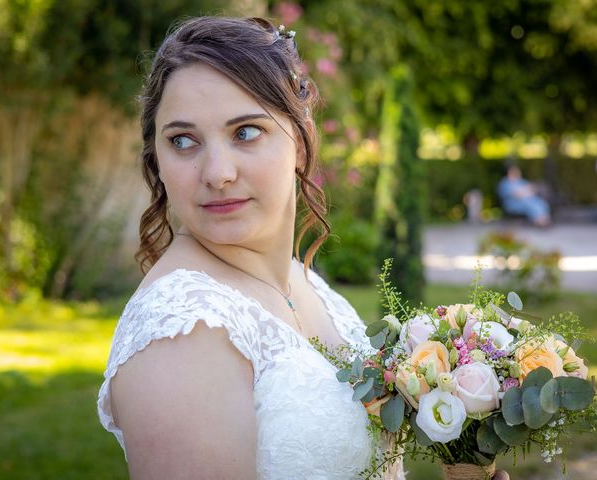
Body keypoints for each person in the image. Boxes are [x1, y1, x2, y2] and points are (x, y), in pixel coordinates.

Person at [97, 16, 510, 480]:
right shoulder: (181, 331)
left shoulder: (304, 282)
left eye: (245, 132)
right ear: (157, 157)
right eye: (183, 141)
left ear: (300, 138)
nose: (217, 172)